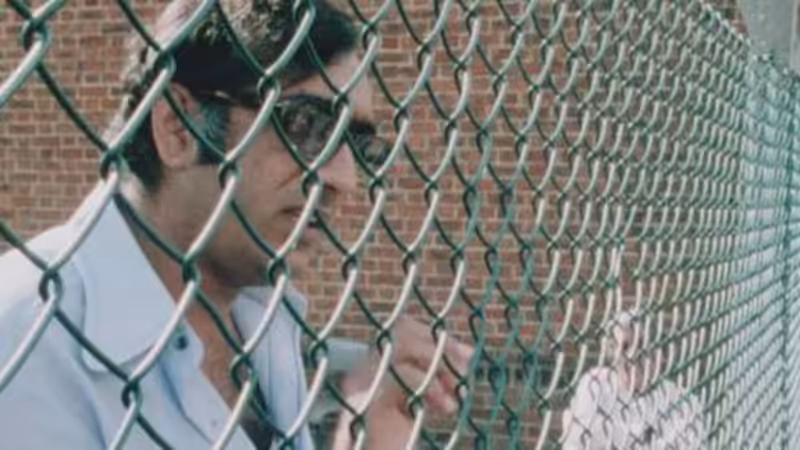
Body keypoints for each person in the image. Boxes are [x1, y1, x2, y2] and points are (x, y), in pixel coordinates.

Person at [0, 0, 473, 449]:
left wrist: (367, 433)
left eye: (358, 144)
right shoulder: (26, 337)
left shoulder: (266, 311)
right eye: (307, 125)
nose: (345, 179)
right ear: (178, 128)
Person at [561, 311, 706, 449]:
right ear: (613, 353)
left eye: (641, 344)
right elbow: (574, 442)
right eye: (625, 347)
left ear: (659, 353)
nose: (632, 355)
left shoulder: (683, 402)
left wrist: (606, 435)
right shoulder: (595, 383)